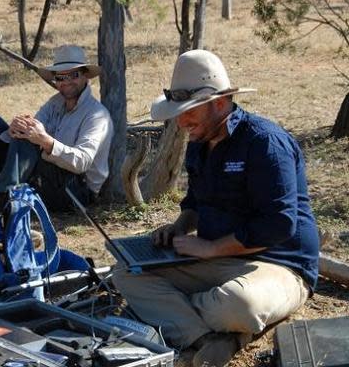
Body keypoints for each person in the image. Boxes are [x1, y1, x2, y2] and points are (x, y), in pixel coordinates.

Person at [112, 49, 320, 367]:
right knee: (125, 272)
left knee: (238, 303)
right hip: (216, 259)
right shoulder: (200, 143)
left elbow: (278, 225)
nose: (182, 122)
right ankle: (208, 338)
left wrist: (211, 248)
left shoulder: (265, 142)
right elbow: (196, 202)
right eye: (178, 112)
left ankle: (185, 320)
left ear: (219, 103)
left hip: (278, 265)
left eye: (189, 111)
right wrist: (179, 227)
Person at [0, 44, 114, 211]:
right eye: (60, 77)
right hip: (47, 176)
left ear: (85, 76)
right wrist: (15, 129)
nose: (66, 82)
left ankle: (5, 207)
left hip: (76, 190)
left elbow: (82, 162)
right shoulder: (55, 103)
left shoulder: (96, 115)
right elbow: (32, 132)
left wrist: (45, 141)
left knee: (29, 137)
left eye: (73, 75)